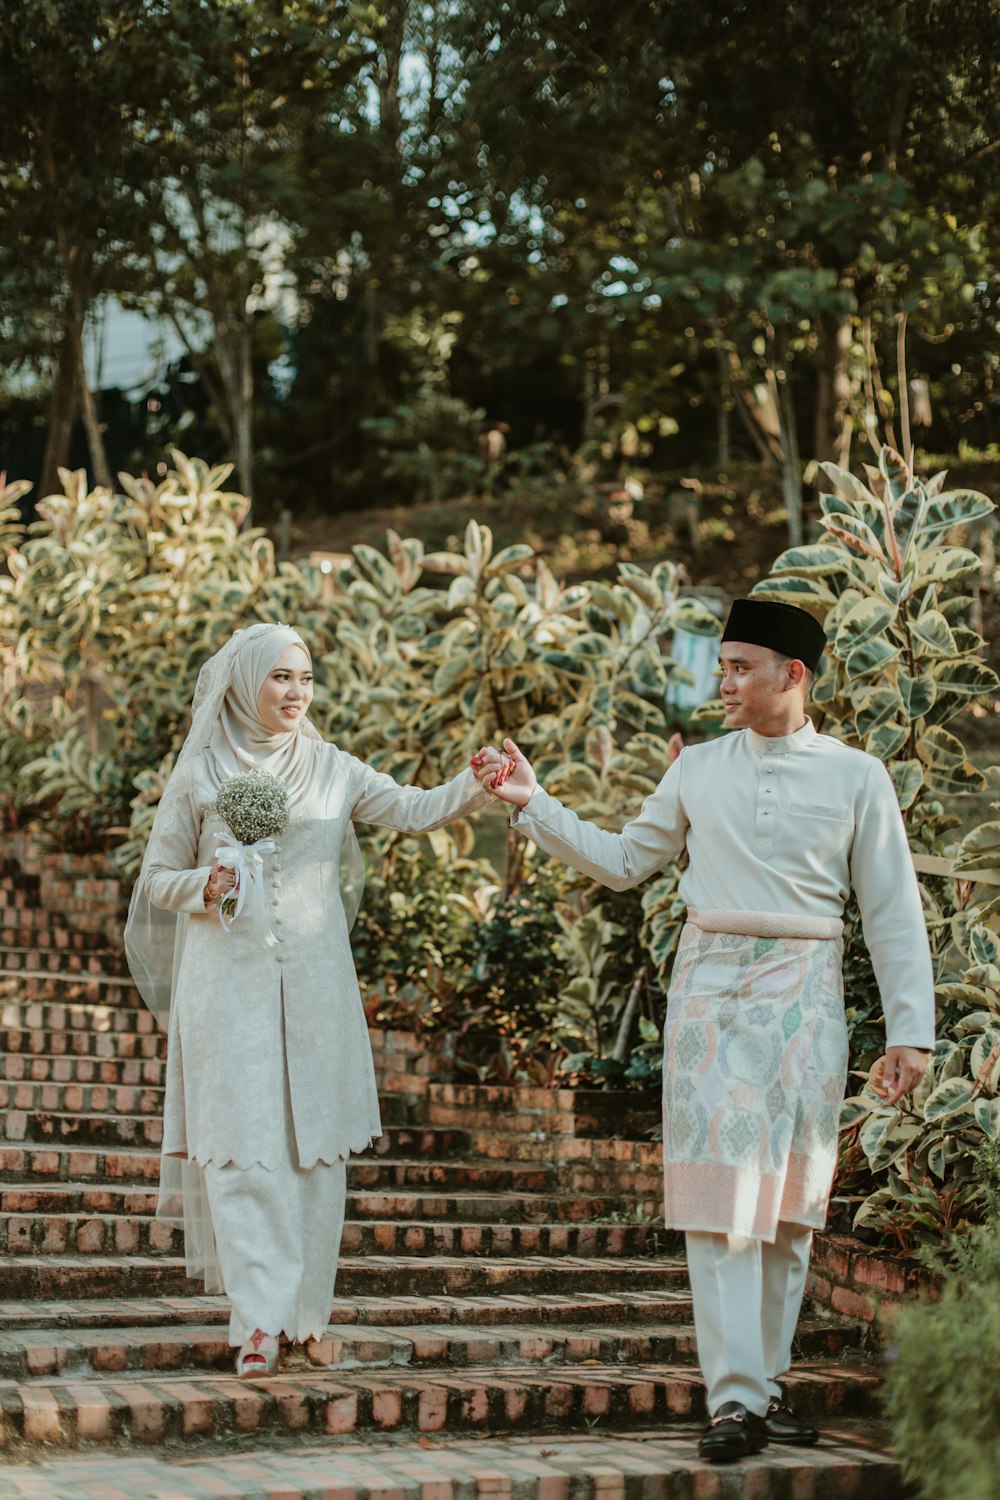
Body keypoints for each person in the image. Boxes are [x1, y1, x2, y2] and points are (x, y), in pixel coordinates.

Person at [472, 597, 934, 1462]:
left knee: (791, 1210)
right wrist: (531, 803)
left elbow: (892, 910)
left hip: (808, 995)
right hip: (710, 1002)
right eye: (719, 666)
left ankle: (759, 1393)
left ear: (792, 676)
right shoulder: (697, 770)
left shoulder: (857, 775)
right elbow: (620, 862)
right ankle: (730, 1403)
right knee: (725, 1205)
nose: (721, 682)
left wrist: (910, 1032)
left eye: (739, 667)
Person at [125, 623, 500, 1377]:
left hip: (318, 989)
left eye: (305, 678)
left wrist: (475, 782)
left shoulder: (331, 768)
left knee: (314, 1156)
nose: (296, 693)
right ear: (245, 684)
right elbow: (157, 876)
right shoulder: (200, 772)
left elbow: (413, 808)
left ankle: (304, 1317)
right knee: (241, 1153)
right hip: (226, 990)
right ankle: (256, 1323)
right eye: (280, 678)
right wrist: (210, 884)